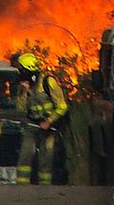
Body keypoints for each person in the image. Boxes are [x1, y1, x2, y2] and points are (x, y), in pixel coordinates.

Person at [12, 52, 67, 185]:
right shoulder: (23, 86)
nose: (20, 73)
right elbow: (20, 110)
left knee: (46, 158)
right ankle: (22, 187)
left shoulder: (48, 82)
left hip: (49, 128)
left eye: (22, 70)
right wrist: (24, 92)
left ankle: (44, 189)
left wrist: (49, 121)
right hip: (32, 126)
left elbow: (62, 106)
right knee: (26, 154)